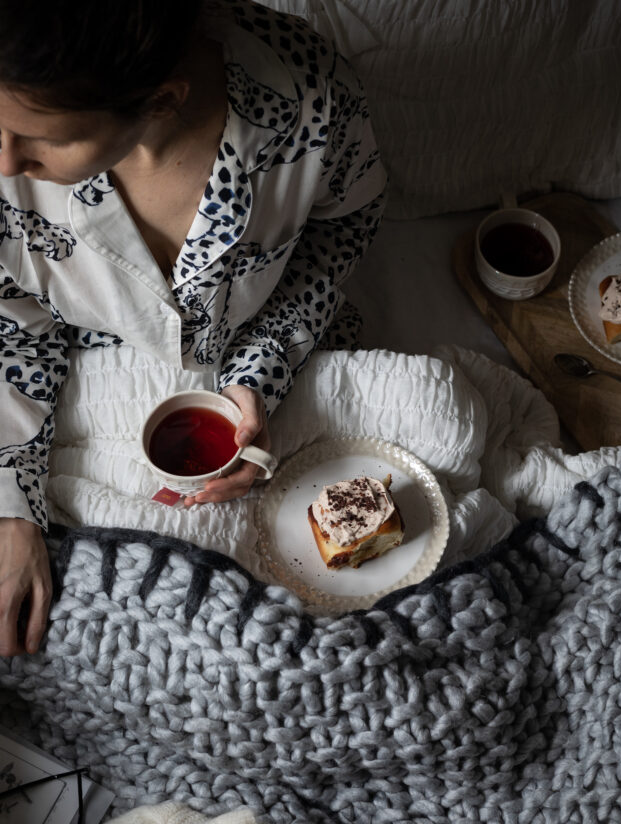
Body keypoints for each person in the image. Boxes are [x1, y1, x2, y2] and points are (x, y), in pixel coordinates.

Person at [0, 0, 386, 657]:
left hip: (288, 384)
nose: (5, 162)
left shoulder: (308, 97)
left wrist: (261, 369)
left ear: (160, 101)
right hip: (63, 407)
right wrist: (11, 508)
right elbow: (10, 321)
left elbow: (343, 223)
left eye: (47, 141)